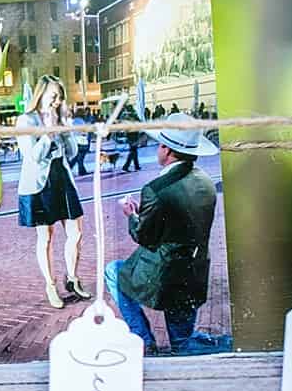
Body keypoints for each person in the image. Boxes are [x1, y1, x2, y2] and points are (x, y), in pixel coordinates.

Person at [104, 114, 219, 355]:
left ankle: (143, 338)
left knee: (113, 272)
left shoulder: (156, 190)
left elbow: (145, 237)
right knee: (182, 341)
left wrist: (132, 216)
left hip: (164, 275)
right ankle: (184, 347)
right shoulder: (206, 182)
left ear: (167, 150)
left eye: (159, 145)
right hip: (194, 272)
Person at [16, 75, 88, 310]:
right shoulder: (26, 120)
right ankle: (50, 284)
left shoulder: (60, 117)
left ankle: (72, 278)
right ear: (41, 94)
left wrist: (66, 130)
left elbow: (72, 152)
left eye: (60, 97)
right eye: (53, 96)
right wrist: (48, 132)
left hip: (61, 177)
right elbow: (33, 157)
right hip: (39, 182)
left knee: (76, 232)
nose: (57, 101)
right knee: (45, 237)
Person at [120, 104, 141, 173]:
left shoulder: (124, 116)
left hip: (129, 134)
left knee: (134, 150)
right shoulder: (133, 115)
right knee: (133, 151)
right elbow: (139, 121)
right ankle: (126, 166)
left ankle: (136, 165)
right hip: (134, 134)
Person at [72, 107, 90, 177]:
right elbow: (83, 131)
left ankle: (81, 170)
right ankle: (81, 171)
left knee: (77, 157)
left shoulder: (74, 121)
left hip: (77, 141)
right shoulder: (81, 121)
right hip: (81, 141)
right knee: (79, 158)